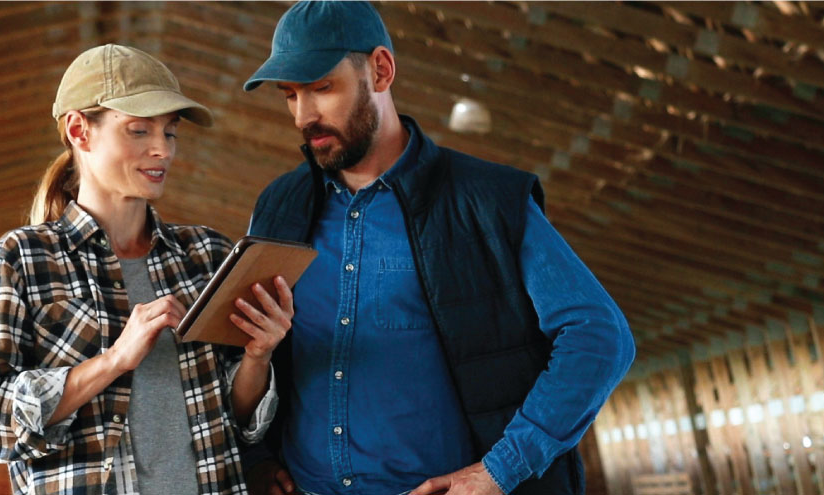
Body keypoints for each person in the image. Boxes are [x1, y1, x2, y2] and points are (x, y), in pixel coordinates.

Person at [239, 3, 637, 495]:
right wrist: (256, 459)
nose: (304, 116)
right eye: (290, 95)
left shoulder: (485, 202)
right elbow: (241, 355)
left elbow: (599, 335)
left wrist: (499, 471)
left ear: (381, 70)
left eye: (322, 88)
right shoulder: (279, 207)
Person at [0, 44, 293, 495]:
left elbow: (235, 418)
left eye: (170, 133)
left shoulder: (208, 255)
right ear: (80, 130)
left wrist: (258, 355)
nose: (162, 150)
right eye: (138, 131)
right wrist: (114, 360)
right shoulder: (18, 261)